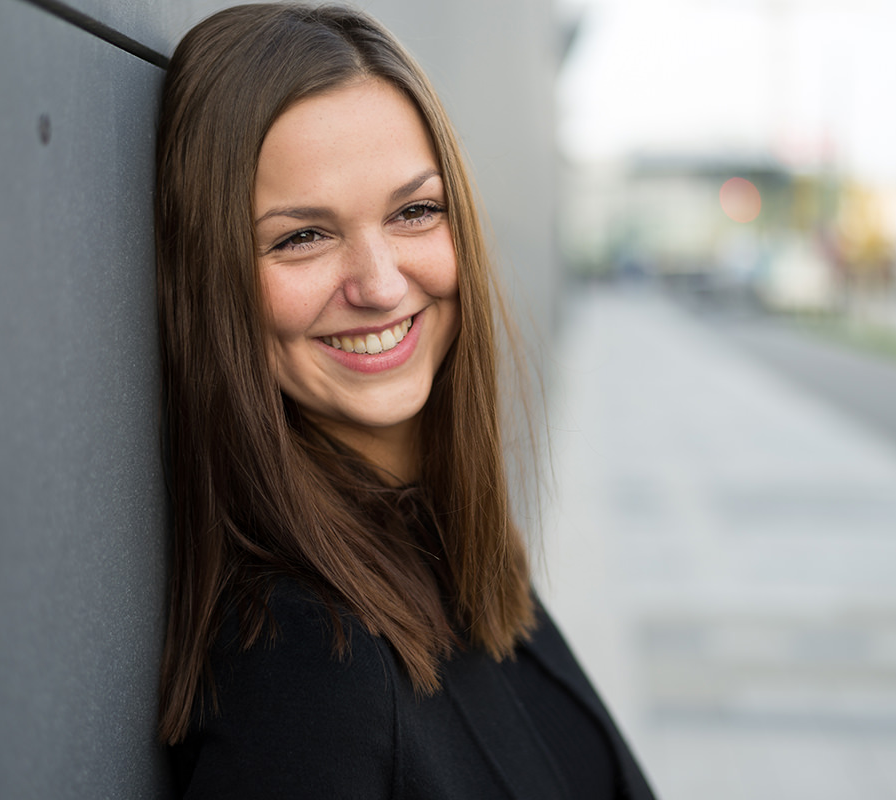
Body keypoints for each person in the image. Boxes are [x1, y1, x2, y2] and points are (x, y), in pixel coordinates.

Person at [154, 4, 656, 798]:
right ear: (215, 284)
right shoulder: (306, 668)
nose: (381, 284)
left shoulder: (452, 547)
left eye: (414, 211)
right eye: (301, 237)